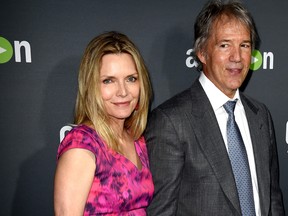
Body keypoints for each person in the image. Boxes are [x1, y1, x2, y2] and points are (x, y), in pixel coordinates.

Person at [145, 0, 285, 215]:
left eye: (244, 45)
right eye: (224, 45)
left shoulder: (260, 116)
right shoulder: (171, 122)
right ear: (202, 52)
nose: (236, 57)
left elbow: (273, 199)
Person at [54, 31, 154, 215]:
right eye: (108, 81)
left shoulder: (137, 139)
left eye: (131, 79)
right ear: (91, 87)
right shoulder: (82, 145)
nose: (123, 92)